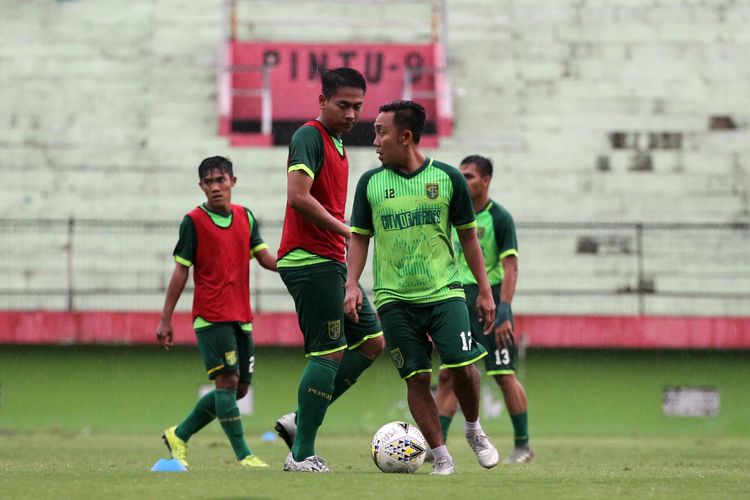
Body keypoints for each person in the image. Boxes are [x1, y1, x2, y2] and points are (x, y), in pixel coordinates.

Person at [344, 100, 499, 475]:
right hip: (394, 298)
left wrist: (484, 289)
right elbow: (360, 238)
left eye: (382, 131)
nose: (375, 140)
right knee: (416, 378)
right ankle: (442, 457)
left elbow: (468, 239)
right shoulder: (370, 183)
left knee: (461, 367)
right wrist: (351, 284)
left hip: (444, 292)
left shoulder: (447, 179)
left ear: (406, 136)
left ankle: (474, 430)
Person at [275, 67, 385, 473]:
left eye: (358, 106)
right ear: (322, 102)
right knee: (329, 351)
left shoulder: (338, 144)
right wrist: (348, 231)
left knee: (372, 342)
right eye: (343, 105)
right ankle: (301, 454)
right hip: (309, 259)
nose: (353, 113)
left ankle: (300, 421)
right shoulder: (309, 136)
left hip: (331, 261)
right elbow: (298, 197)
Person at [156, 155, 277, 470]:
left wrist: (299, 262)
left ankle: (178, 434)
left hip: (242, 316)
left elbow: (266, 259)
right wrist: (166, 318)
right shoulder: (193, 222)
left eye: (220, 180)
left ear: (233, 182)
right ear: (201, 186)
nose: (215, 187)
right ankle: (244, 455)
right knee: (226, 382)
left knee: (238, 389)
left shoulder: (246, 218)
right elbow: (181, 271)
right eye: (208, 182)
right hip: (211, 316)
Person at [434, 155, 534, 464]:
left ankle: (522, 446)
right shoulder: (452, 215)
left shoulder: (499, 217)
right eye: (460, 175)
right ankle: (436, 446)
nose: (463, 181)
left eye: (470, 176)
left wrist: (504, 310)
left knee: (503, 374)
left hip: (489, 304)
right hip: (456, 300)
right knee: (451, 374)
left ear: (486, 180)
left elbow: (511, 267)